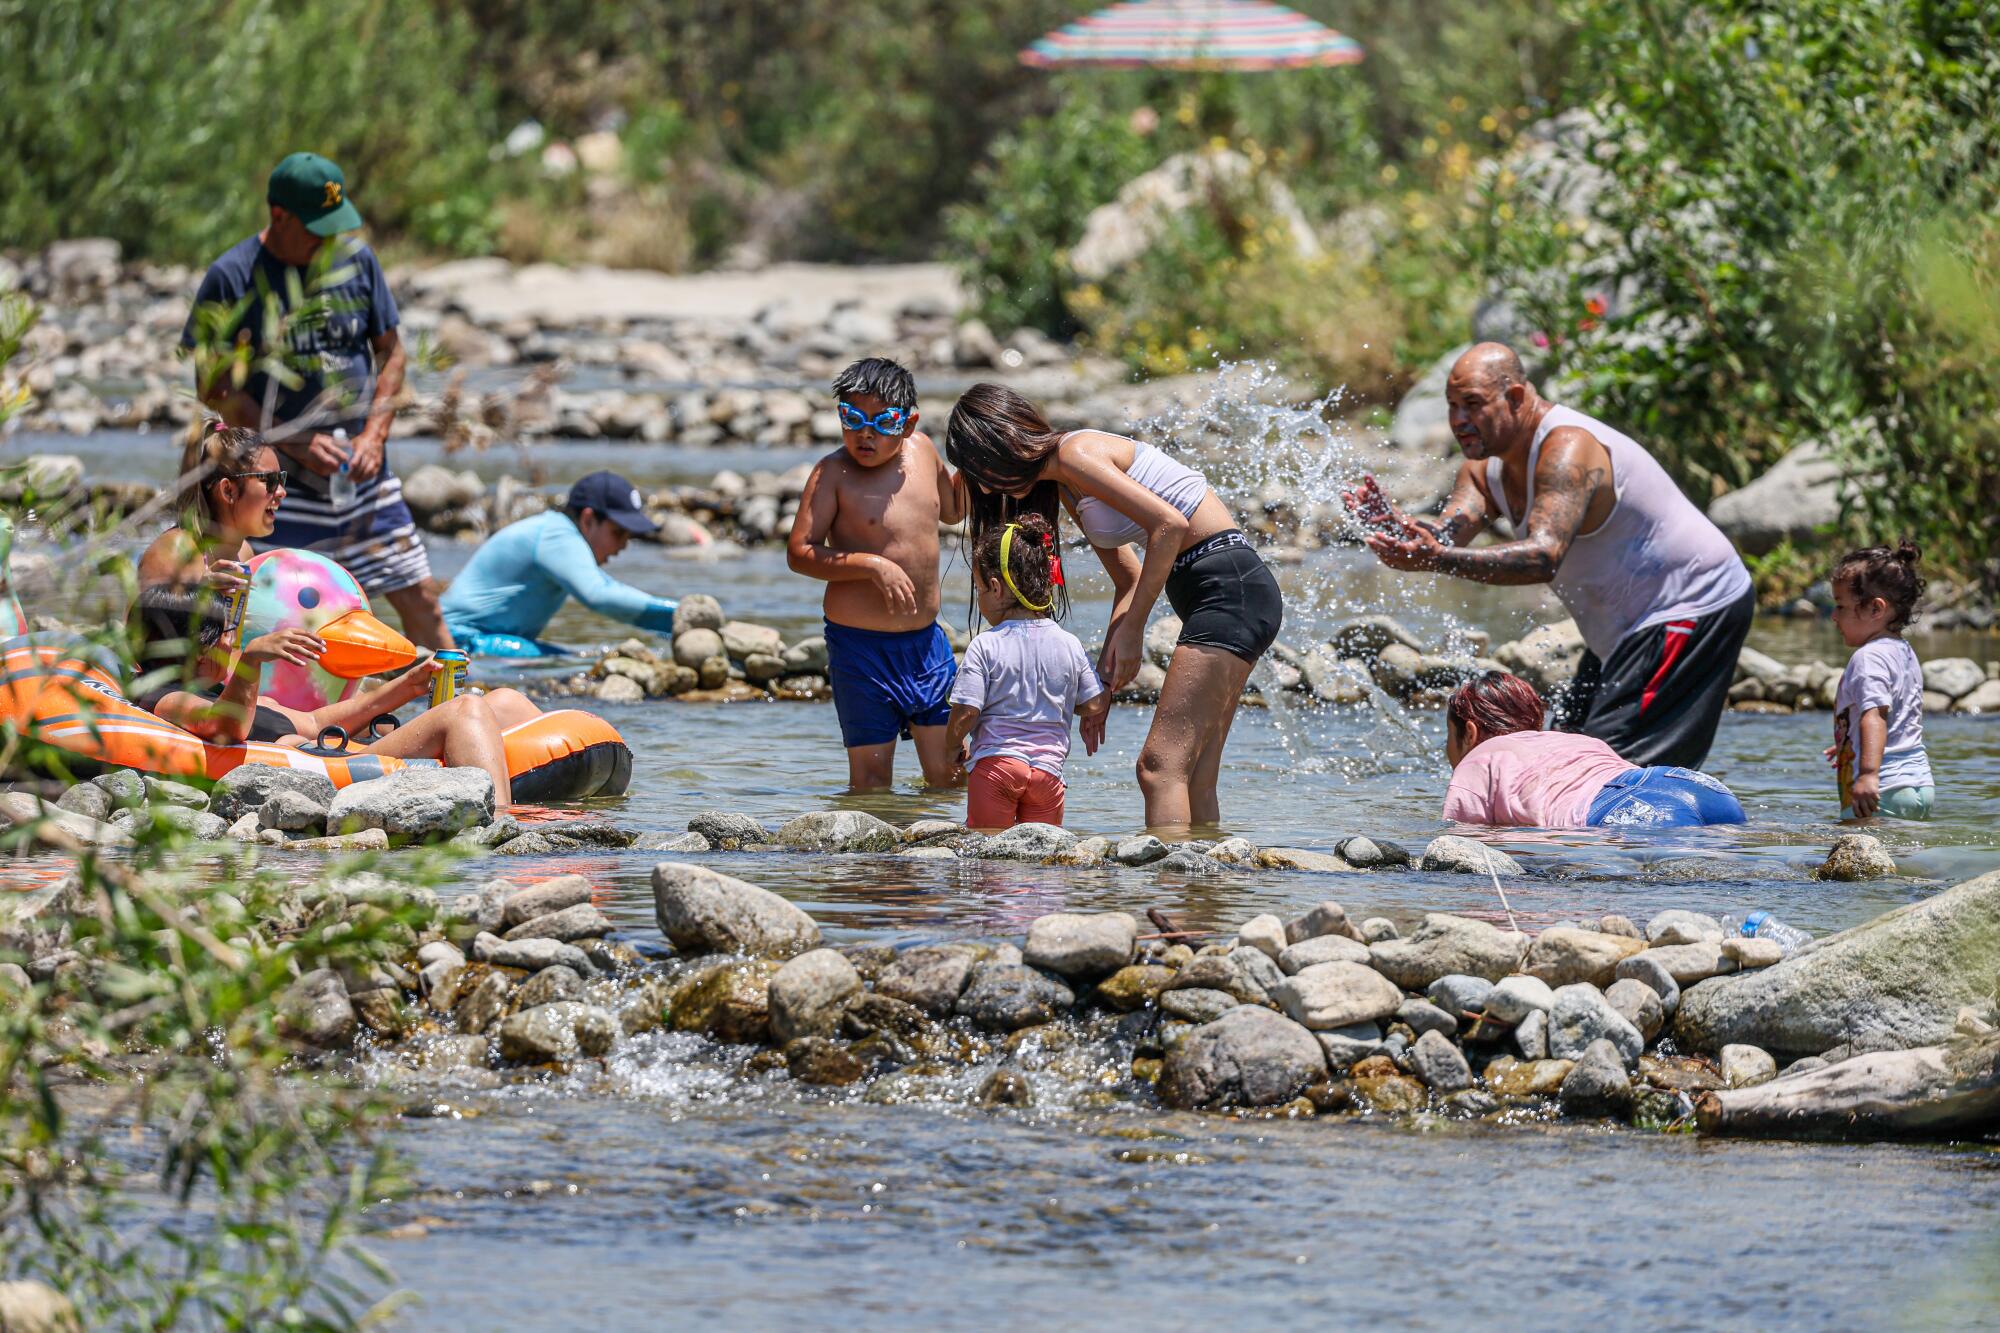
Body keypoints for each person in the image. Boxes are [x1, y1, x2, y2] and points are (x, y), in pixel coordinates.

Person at [1345, 342, 1753, 770]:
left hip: (1689, 605)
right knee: (1566, 759)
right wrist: (1405, 535)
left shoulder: (1567, 448)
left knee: (1612, 774)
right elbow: (1447, 534)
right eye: (1451, 406)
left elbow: (1543, 556)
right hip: (1622, 629)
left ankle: (1704, 835)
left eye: (1473, 405)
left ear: (1517, 398)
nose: (1459, 421)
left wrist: (1435, 557)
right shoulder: (1484, 469)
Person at [134, 423, 541, 802]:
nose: (282, 493)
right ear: (227, 490)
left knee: (504, 701)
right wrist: (246, 654)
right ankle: (501, 830)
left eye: (283, 480)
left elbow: (311, 722)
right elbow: (153, 629)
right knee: (465, 710)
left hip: (279, 713)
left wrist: (409, 684)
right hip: (291, 744)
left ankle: (572, 771)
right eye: (271, 481)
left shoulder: (243, 554)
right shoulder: (176, 555)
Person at [945, 383, 1282, 830]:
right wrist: (1103, 684)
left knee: (1158, 768)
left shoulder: (1075, 453)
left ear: (1001, 446)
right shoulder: (1065, 483)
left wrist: (1135, 628)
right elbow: (1128, 577)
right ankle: (1205, 892)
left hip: (1226, 587)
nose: (985, 486)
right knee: (1193, 773)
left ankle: (1172, 893)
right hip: (1221, 589)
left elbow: (1169, 524)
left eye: (981, 471)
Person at [182, 151, 450, 649]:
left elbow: (391, 352)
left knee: (421, 600)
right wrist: (296, 442)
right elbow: (212, 387)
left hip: (364, 477)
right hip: (279, 490)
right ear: (278, 216)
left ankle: (462, 706)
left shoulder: (357, 262)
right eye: (316, 230)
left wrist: (375, 435)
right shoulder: (232, 277)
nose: (328, 242)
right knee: (277, 614)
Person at [787, 358, 966, 790]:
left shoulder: (922, 451)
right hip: (859, 651)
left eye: (882, 422)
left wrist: (984, 461)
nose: (865, 434)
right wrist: (871, 564)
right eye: (852, 419)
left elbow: (955, 509)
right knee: (870, 784)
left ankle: (940, 853)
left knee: (950, 774)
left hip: (925, 645)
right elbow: (799, 553)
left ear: (909, 424)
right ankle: (875, 861)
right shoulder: (833, 473)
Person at [944, 514, 1109, 831]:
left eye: (978, 589)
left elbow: (966, 712)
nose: (979, 598)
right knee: (1043, 862)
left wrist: (951, 746)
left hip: (997, 767)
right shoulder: (1069, 643)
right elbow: (1093, 705)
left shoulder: (986, 645)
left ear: (995, 588)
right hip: (1048, 773)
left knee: (987, 855)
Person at [1442, 671, 1745, 828]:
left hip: (1622, 812)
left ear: (1469, 732)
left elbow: (1461, 847)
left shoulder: (1479, 759)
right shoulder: (1576, 740)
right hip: (1696, 787)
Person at [440, 472, 677, 656]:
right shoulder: (557, 535)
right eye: (618, 533)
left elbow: (606, 587)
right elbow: (599, 595)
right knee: (575, 664)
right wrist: (679, 615)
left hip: (470, 638)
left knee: (575, 661)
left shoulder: (555, 533)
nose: (624, 546)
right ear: (588, 519)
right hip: (461, 642)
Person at [1827, 541, 1934, 821]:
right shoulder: (1904, 651)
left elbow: (1875, 716)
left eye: (1841, 606)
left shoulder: (1868, 657)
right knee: (1901, 862)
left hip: (1882, 789)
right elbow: (1899, 717)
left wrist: (1867, 774)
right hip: (1917, 783)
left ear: (1876, 609)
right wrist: (1849, 739)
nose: (1833, 616)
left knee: (1855, 859)